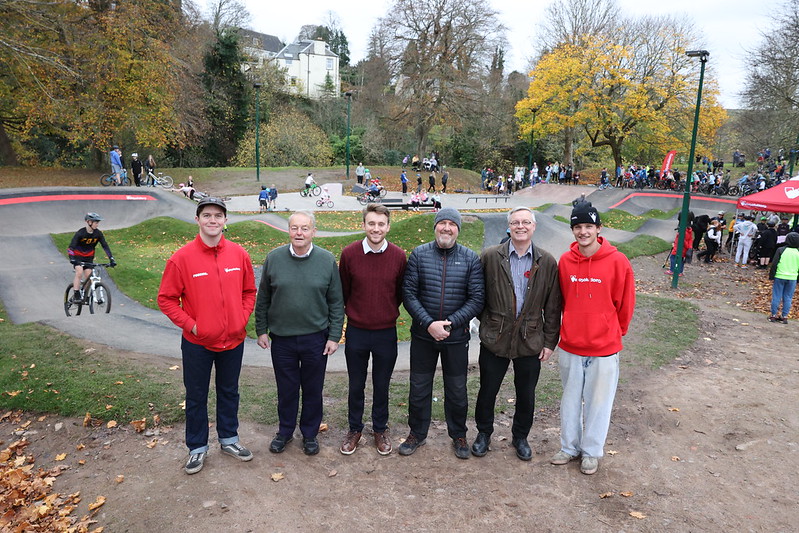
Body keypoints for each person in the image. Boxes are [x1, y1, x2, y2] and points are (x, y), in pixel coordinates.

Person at [157, 197, 256, 475]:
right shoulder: (181, 259)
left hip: (233, 340)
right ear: (197, 219)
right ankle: (197, 447)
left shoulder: (239, 254)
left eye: (218, 216)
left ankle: (229, 439)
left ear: (226, 221)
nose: (213, 220)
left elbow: (249, 292)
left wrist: (241, 317)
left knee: (229, 391)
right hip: (198, 343)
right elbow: (166, 299)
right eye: (207, 215)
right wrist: (193, 325)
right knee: (196, 395)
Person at [471, 207, 561, 461]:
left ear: (534, 226)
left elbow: (553, 306)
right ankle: (483, 433)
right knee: (488, 390)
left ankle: (520, 436)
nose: (520, 226)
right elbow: (478, 297)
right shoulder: (490, 256)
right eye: (515, 222)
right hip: (495, 338)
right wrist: (490, 322)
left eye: (525, 222)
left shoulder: (546, 261)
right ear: (508, 227)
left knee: (526, 393)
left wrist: (550, 341)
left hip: (530, 338)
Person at [551, 205, 635, 475]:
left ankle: (591, 452)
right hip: (572, 345)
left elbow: (625, 303)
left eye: (589, 226)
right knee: (570, 400)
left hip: (604, 347)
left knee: (599, 403)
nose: (583, 231)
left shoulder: (617, 261)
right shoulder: (565, 261)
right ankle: (569, 447)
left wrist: (613, 331)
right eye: (578, 227)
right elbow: (561, 300)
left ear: (599, 229)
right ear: (573, 230)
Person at [255, 210, 344, 456]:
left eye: (305, 228)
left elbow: (336, 301)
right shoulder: (274, 258)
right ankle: (284, 431)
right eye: (295, 228)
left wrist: (334, 336)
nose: (299, 233)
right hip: (282, 339)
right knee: (286, 389)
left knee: (313, 389)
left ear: (313, 232)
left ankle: (309, 434)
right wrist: (261, 329)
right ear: (288, 230)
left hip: (316, 338)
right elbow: (263, 298)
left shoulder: (326, 260)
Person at [399, 208, 485, 459]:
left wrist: (451, 324)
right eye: (442, 223)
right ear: (435, 226)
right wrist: (429, 324)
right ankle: (417, 433)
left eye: (452, 224)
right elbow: (409, 294)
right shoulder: (419, 255)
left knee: (457, 389)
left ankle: (458, 434)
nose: (446, 228)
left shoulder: (470, 258)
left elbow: (476, 298)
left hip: (456, 338)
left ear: (458, 229)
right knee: (419, 387)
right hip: (424, 337)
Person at [338, 204, 407, 456]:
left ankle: (380, 429)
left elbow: (399, 292)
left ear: (388, 226)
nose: (376, 229)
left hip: (385, 332)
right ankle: (355, 429)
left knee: (382, 384)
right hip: (356, 331)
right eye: (371, 223)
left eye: (381, 224)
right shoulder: (349, 254)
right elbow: (343, 291)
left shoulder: (399, 256)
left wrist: (384, 310)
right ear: (364, 225)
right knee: (356, 384)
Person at [68, 213, 116, 302]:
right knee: (79, 272)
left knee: (88, 277)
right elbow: (71, 248)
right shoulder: (80, 233)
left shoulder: (98, 234)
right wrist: (72, 258)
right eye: (96, 222)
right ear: (89, 222)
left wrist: (111, 258)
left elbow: (105, 246)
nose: (97, 224)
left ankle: (85, 296)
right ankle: (76, 294)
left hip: (88, 258)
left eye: (98, 223)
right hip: (78, 257)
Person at [768, 232, 799, 323]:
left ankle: (773, 315)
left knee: (777, 296)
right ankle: (784, 316)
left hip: (780, 275)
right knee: (788, 297)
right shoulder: (798, 252)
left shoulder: (781, 250)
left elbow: (774, 264)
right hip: (792, 277)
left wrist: (771, 276)